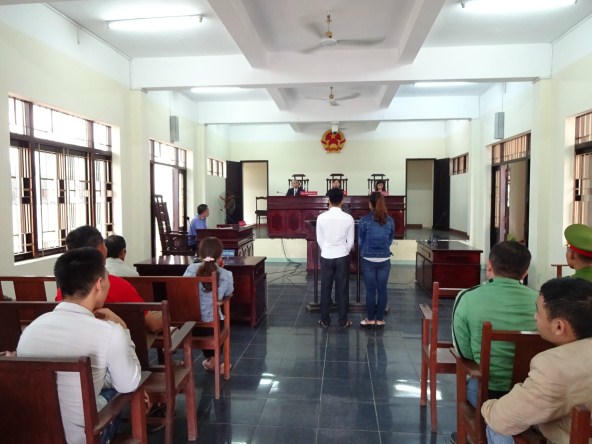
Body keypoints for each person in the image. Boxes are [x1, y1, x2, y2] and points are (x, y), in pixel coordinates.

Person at [17, 248, 142, 444]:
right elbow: (129, 384)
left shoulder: (30, 330)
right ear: (99, 284)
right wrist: (124, 328)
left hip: (35, 435)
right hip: (84, 438)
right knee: (118, 388)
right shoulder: (109, 332)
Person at [482, 277, 592, 444]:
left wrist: (488, 406)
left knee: (496, 427)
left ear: (559, 326)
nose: (535, 317)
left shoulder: (554, 367)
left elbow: (501, 419)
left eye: (538, 312)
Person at [452, 241, 537, 406]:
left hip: (486, 393)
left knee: (470, 385)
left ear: (489, 266)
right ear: (525, 273)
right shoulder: (541, 301)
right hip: (529, 393)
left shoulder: (467, 298)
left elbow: (464, 352)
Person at [56, 226, 162, 333]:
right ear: (101, 249)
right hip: (124, 339)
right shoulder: (117, 285)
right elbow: (152, 324)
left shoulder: (64, 291)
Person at [183, 236, 233, 371]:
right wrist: (221, 269)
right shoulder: (225, 274)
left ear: (200, 254)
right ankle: (214, 361)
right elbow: (229, 292)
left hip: (189, 325)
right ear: (220, 255)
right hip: (212, 326)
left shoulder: (190, 269)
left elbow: (183, 288)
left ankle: (211, 360)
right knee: (218, 318)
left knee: (206, 315)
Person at [317, 188, 355, 328]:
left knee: (325, 288)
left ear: (329, 200)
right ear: (342, 201)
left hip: (326, 255)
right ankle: (343, 321)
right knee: (342, 289)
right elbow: (350, 241)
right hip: (342, 256)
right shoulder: (348, 218)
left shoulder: (321, 217)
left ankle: (324, 320)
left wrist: (327, 249)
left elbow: (319, 239)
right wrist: (343, 250)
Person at [359, 192, 394, 326]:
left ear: (370, 204)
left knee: (370, 290)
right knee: (382, 289)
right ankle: (379, 319)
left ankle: (370, 318)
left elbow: (360, 241)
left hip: (368, 259)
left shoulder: (364, 220)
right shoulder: (390, 220)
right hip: (384, 258)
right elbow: (390, 239)